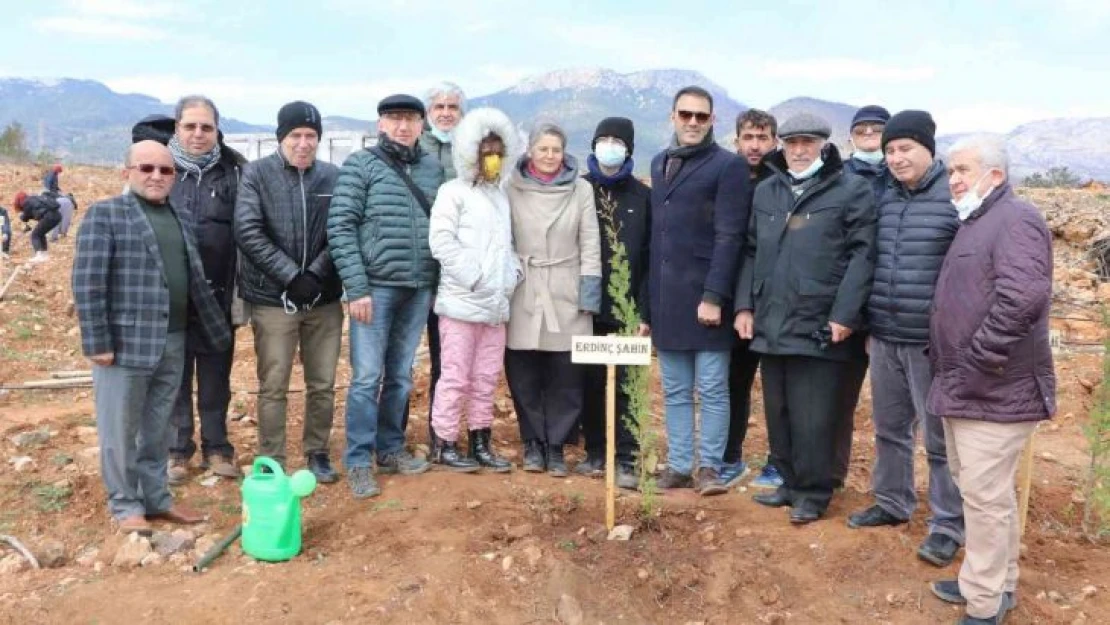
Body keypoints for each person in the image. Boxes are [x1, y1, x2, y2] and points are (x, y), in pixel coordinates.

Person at [927, 134, 1055, 625]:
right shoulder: (976, 221)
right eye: (951, 170)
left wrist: (978, 358)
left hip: (995, 388)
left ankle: (983, 603)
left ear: (994, 176)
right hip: (967, 389)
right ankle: (995, 584)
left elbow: (1022, 297)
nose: (953, 179)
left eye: (962, 169)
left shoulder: (1016, 218)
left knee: (983, 499)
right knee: (987, 495)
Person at [73, 140, 231, 534]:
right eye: (147, 168)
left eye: (165, 170)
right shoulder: (105, 214)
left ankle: (157, 499)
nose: (157, 176)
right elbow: (88, 283)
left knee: (158, 428)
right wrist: (98, 343)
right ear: (126, 172)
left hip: (171, 339)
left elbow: (191, 280)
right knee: (120, 430)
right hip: (123, 347)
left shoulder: (178, 216)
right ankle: (126, 505)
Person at [734, 112, 876, 523]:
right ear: (782, 145)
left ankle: (814, 492)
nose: (798, 151)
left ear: (823, 146)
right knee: (778, 410)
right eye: (792, 143)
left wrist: (845, 313)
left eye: (807, 143)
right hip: (772, 319)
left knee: (813, 414)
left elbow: (863, 254)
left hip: (820, 322)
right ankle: (790, 482)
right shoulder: (768, 191)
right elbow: (749, 250)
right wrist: (745, 306)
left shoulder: (851, 190)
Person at [847, 110, 966, 567]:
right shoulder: (887, 197)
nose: (896, 158)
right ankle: (893, 502)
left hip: (930, 341)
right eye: (890, 150)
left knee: (939, 438)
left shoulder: (953, 197)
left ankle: (948, 525)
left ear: (928, 150)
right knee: (890, 429)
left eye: (905, 149)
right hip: (884, 334)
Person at [328, 94, 444, 498]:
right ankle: (359, 459)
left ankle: (391, 449)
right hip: (374, 289)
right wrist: (356, 287)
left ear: (421, 125)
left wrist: (435, 282)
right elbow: (341, 226)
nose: (402, 126)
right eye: (394, 118)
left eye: (410, 119)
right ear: (380, 124)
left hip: (419, 287)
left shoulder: (434, 169)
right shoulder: (361, 165)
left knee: (400, 374)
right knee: (366, 377)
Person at [132, 96, 247, 484]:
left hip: (218, 296)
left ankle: (217, 447)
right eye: (190, 126)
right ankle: (178, 451)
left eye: (206, 127)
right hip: (171, 301)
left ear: (217, 130)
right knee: (174, 379)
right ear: (177, 128)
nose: (198, 134)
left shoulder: (234, 172)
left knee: (216, 377)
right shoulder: (159, 171)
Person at [235, 101, 344, 483]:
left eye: (310, 136)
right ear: (281, 137)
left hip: (323, 298)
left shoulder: (333, 177)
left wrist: (314, 275)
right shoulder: (256, 175)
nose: (303, 143)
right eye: (295, 135)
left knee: (322, 382)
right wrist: (290, 276)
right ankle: (273, 458)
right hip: (272, 299)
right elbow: (248, 230)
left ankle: (317, 451)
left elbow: (343, 229)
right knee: (274, 383)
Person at [648, 86, 749, 496]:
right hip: (667, 299)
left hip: (707, 299)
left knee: (710, 388)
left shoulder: (728, 166)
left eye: (701, 116)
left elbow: (730, 236)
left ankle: (710, 466)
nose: (692, 122)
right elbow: (658, 237)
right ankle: (678, 465)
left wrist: (714, 296)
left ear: (711, 121)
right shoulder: (659, 163)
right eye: (685, 114)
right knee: (674, 389)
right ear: (672, 116)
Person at [505, 122, 602, 476]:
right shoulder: (510, 188)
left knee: (567, 373)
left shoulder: (581, 190)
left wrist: (589, 293)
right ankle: (532, 443)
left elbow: (590, 242)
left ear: (564, 153)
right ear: (530, 150)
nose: (549, 156)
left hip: (566, 286)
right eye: (543, 149)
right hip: (523, 286)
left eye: (556, 150)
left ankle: (558, 445)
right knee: (523, 370)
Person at [427, 107, 520, 473]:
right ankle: (444, 442)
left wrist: (510, 275)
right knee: (455, 375)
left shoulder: (501, 196)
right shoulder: (452, 193)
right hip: (463, 305)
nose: (492, 159)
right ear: (470, 153)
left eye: (498, 152)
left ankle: (480, 441)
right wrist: (476, 277)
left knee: (485, 378)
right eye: (486, 152)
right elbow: (442, 242)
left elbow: (506, 246)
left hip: (496, 307)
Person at [578, 116, 650, 490]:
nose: (609, 146)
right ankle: (595, 452)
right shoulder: (579, 191)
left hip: (630, 310)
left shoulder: (643, 197)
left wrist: (646, 310)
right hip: (586, 309)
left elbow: (652, 257)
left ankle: (626, 458)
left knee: (627, 385)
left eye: (617, 140)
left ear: (629, 149)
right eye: (602, 139)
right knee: (589, 382)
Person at [404, 82, 466, 441]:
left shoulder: (469, 151)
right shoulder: (412, 149)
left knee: (449, 359)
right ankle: (393, 438)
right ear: (428, 114)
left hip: (455, 274)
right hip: (415, 268)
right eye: (439, 106)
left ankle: (442, 434)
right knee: (403, 357)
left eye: (452, 107)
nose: (445, 112)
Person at [725, 108, 778, 490]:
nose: (755, 145)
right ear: (737, 140)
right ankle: (730, 456)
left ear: (773, 141)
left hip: (776, 301)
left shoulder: (784, 180)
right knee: (733, 383)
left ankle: (779, 461)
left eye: (762, 138)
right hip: (731, 299)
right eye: (749, 138)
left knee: (779, 387)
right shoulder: (727, 177)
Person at [844, 105, 892, 200]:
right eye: (860, 130)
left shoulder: (906, 170)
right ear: (851, 137)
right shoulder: (836, 173)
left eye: (878, 129)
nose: (868, 132)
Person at [13, 191, 61, 263]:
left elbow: (26, 216)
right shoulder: (34, 198)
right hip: (57, 216)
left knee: (34, 235)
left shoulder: (26, 202)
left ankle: (39, 255)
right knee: (41, 233)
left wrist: (21, 217)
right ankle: (44, 254)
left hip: (49, 216)